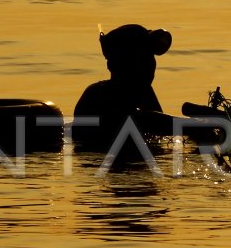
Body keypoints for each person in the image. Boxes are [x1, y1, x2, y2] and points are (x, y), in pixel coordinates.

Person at [72, 24, 180, 152]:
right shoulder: (97, 94)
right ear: (117, 64)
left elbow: (158, 123)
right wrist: (193, 126)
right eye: (140, 57)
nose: (149, 64)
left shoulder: (142, 91)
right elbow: (142, 121)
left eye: (150, 57)